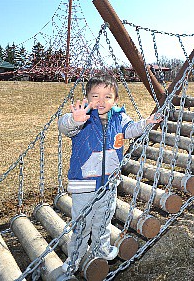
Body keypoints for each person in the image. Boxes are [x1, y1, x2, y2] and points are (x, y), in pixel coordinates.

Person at [58, 74, 163, 274]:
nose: (101, 101)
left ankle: (101, 249)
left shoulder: (119, 118)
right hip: (85, 183)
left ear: (115, 100)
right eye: (95, 96)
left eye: (107, 96)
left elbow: (131, 130)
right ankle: (75, 259)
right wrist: (74, 119)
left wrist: (148, 122)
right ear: (87, 98)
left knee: (104, 219)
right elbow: (64, 126)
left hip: (109, 183)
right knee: (82, 224)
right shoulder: (83, 119)